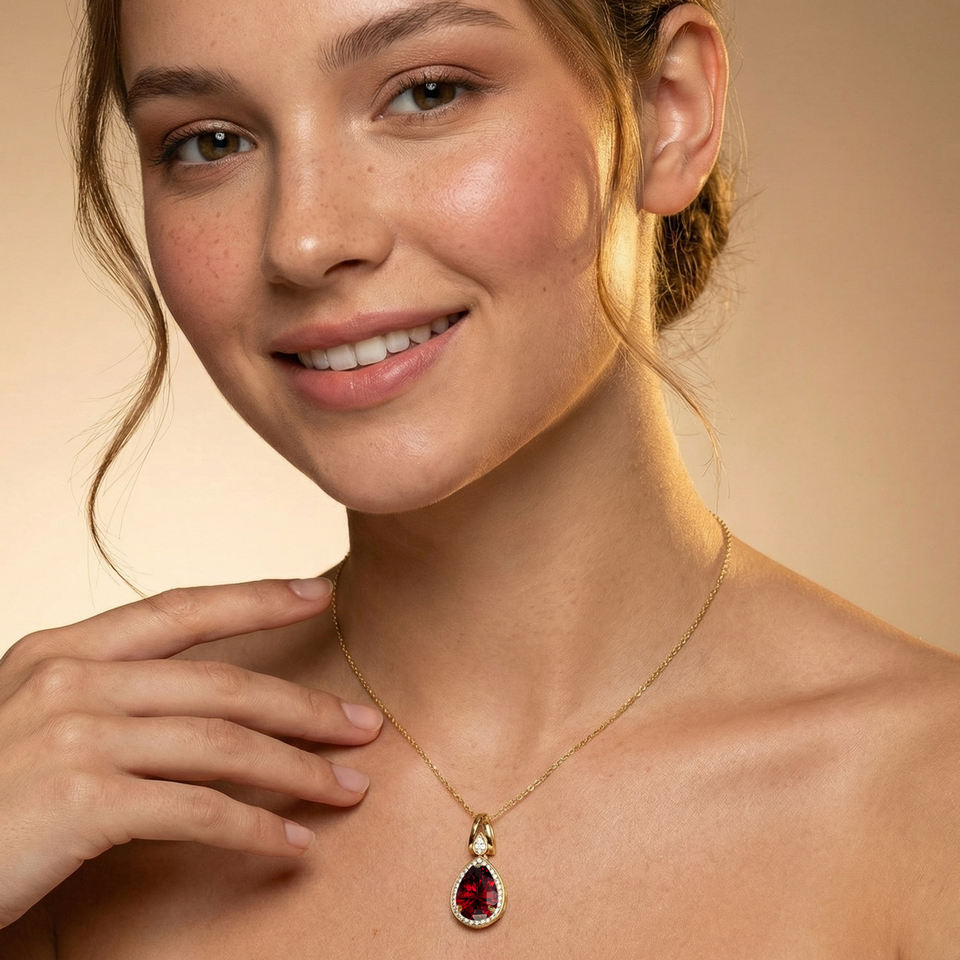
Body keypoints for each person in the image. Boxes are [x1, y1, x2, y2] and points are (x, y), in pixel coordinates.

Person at [1, 0, 958, 954]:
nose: (303, 240)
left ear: (670, 109)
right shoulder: (74, 818)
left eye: (426, 94)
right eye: (210, 143)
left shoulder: (928, 798)